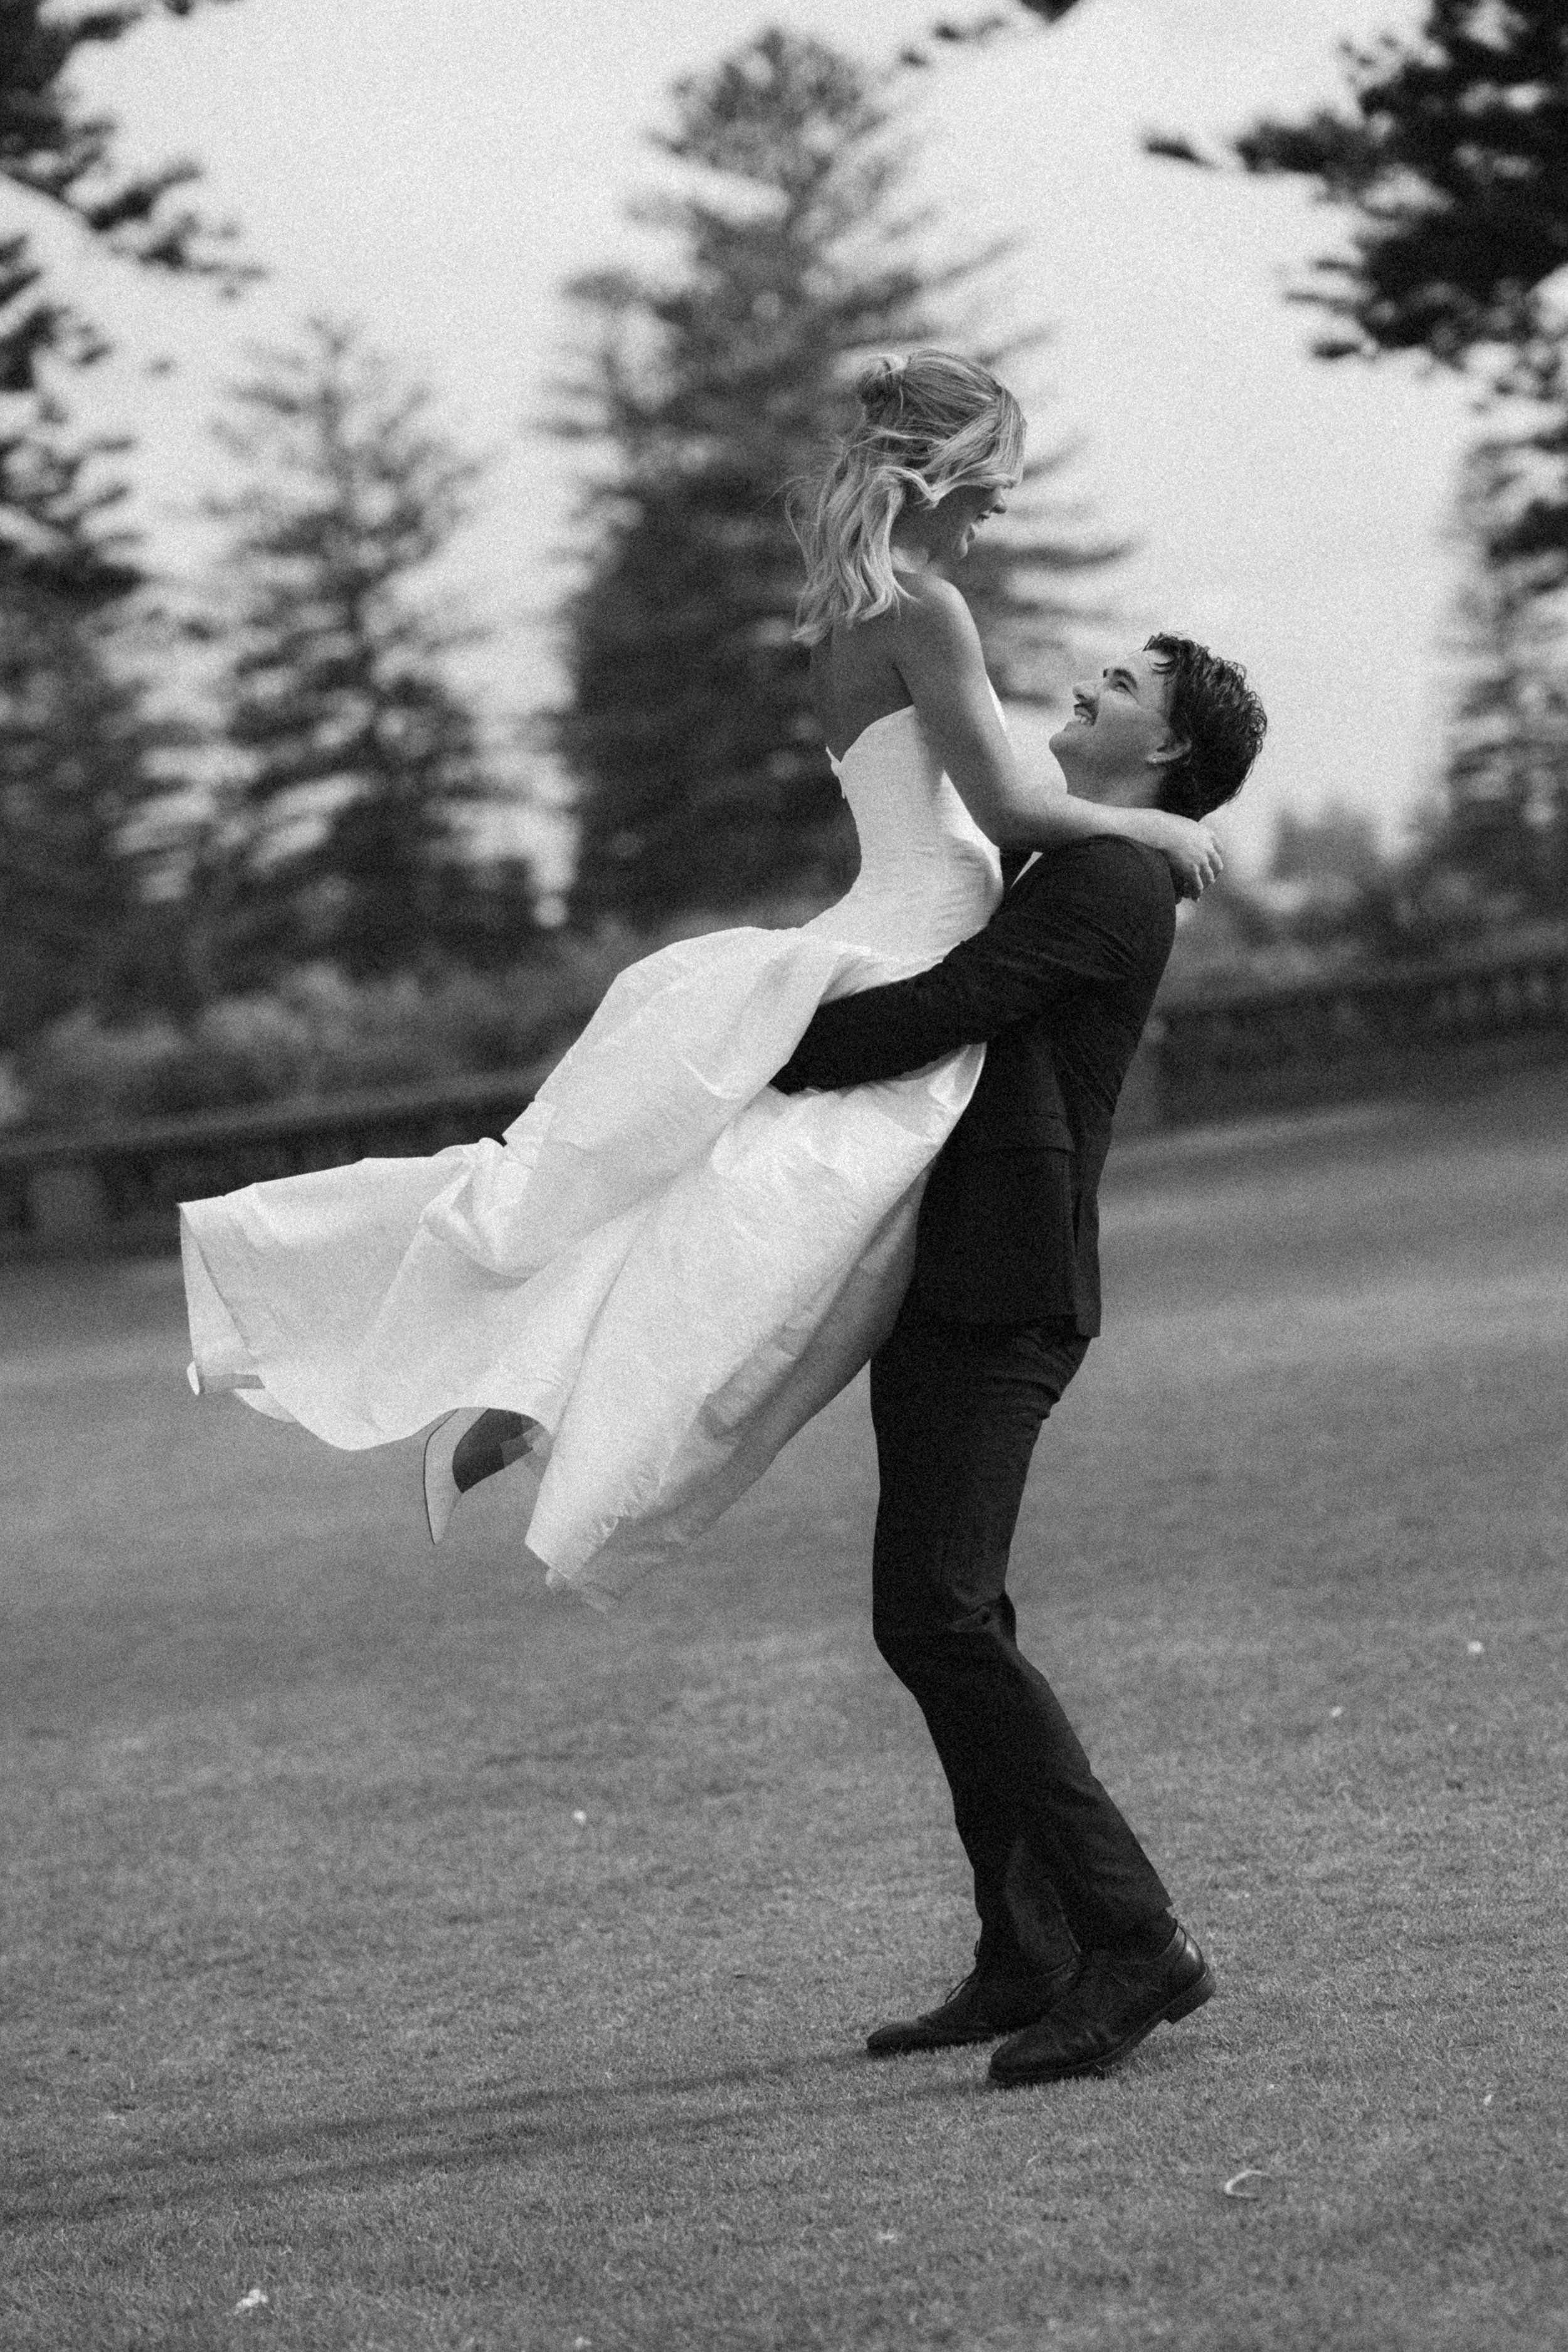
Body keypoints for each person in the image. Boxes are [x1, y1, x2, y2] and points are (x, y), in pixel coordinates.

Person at [179, 351, 1219, 1609]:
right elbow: (1002, 809)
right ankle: (523, 1395)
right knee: (755, 1238)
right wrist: (1155, 829)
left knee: (714, 1206)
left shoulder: (844, 616)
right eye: (992, 475)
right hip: (913, 942)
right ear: (932, 469)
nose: (1001, 500)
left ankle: (519, 1396)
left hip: (884, 921)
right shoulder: (922, 610)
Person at [770, 628, 1268, 2087]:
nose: (1086, 687)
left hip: (1011, 1288)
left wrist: (755, 1039)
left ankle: (1132, 1942)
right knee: (943, 1612)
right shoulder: (1082, 853)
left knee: (936, 1619)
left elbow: (954, 1008)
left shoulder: (1114, 879)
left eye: (1121, 689)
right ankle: (1024, 1949)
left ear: (1165, 752)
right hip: (961, 1275)